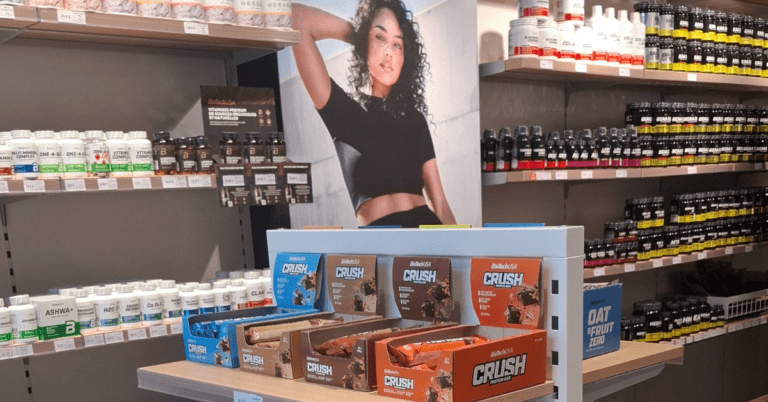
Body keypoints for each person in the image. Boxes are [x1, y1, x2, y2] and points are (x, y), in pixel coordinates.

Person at [292, 0, 456, 228]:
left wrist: (461, 248)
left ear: (405, 58)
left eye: (397, 45)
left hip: (426, 237)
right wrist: (361, 37)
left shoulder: (414, 119)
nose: (388, 52)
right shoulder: (343, 111)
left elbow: (441, 205)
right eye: (380, 37)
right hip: (379, 243)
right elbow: (297, 18)